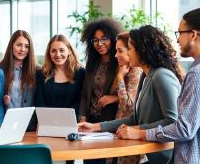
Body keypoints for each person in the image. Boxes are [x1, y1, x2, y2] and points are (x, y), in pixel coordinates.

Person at [115, 8, 200, 163]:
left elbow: (184, 130)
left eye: (180, 33)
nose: (178, 40)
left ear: (193, 35)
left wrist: (141, 133)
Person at [79, 25, 184, 163]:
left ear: (142, 50)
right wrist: (96, 127)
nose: (124, 54)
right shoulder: (145, 76)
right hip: (149, 153)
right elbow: (135, 118)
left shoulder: (162, 76)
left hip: (165, 157)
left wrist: (138, 130)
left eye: (129, 48)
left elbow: (173, 121)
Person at [80, 18, 124, 124]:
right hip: (90, 121)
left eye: (104, 39)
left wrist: (114, 98)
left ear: (113, 39)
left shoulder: (121, 64)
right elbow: (85, 94)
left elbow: (133, 97)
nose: (99, 44)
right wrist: (83, 117)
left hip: (111, 121)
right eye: (95, 40)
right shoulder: (92, 63)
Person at [36, 34, 85, 118]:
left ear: (69, 51)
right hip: (48, 122)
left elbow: (82, 100)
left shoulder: (80, 72)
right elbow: (40, 102)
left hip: (74, 122)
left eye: (62, 50)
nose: (58, 54)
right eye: (53, 51)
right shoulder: (41, 73)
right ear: (49, 53)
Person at [113, 32, 143, 164]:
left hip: (131, 132)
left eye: (120, 51)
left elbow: (128, 106)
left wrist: (119, 78)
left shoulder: (136, 71)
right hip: (121, 130)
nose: (116, 55)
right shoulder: (126, 70)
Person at [0, 30, 38, 110]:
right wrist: (2, 99)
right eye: (19, 45)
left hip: (28, 120)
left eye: (26, 46)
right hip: (5, 120)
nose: (22, 49)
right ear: (11, 46)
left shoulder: (37, 71)